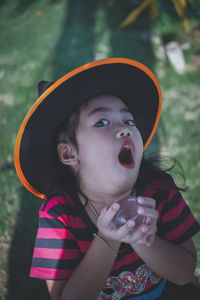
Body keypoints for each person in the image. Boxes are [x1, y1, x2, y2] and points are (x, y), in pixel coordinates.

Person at [14, 58, 200, 300]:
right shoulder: (59, 214)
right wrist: (108, 239)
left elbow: (185, 273)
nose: (125, 129)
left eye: (129, 121)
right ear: (70, 153)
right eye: (102, 122)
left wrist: (144, 240)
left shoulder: (158, 189)